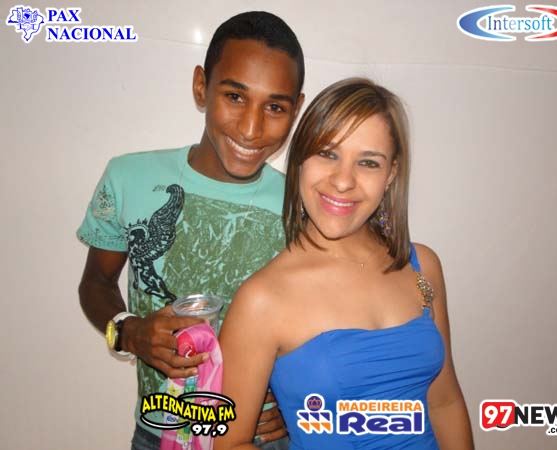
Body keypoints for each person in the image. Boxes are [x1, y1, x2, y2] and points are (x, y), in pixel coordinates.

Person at [77, 11, 305, 450]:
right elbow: (96, 282)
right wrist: (129, 331)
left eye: (275, 107)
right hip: (158, 430)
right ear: (201, 86)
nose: (251, 128)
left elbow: (326, 317)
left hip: (262, 438)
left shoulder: (304, 205)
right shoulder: (128, 178)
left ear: (295, 110)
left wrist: (297, 395)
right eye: (235, 96)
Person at [216, 78, 474, 450]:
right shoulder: (262, 299)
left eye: (368, 162)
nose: (343, 181)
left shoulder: (422, 266)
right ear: (300, 160)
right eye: (327, 153)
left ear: (391, 174)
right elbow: (228, 444)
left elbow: (444, 401)